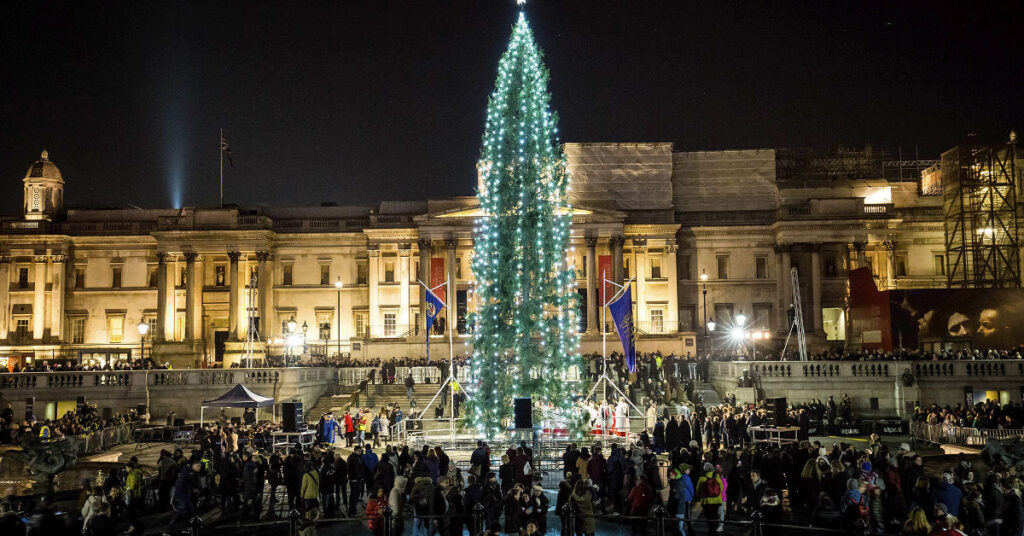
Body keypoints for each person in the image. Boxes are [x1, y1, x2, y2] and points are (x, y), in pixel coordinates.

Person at [696, 462, 724, 532]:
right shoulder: (717, 477)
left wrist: (700, 497)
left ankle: (711, 530)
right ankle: (714, 530)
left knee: (708, 517)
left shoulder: (702, 478)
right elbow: (721, 488)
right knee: (715, 516)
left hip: (707, 501)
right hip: (717, 501)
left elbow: (698, 489)